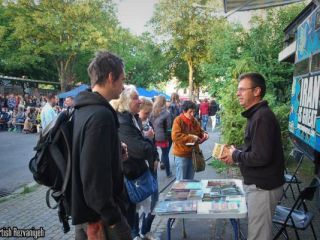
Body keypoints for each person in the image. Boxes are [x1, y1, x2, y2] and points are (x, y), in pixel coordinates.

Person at [71, 51, 131, 240]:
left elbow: (84, 157)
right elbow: (93, 176)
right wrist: (111, 216)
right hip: (100, 220)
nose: (123, 86)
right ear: (111, 77)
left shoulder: (83, 109)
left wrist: (114, 149)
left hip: (86, 213)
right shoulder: (101, 116)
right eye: (122, 80)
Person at [220, 72, 285, 240]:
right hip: (260, 186)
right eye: (238, 90)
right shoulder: (257, 115)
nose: (237, 93)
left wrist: (236, 155)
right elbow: (255, 147)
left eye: (242, 89)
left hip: (263, 188)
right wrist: (237, 152)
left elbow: (261, 156)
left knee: (258, 236)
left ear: (256, 91)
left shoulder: (262, 117)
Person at [111, 86, 159, 240]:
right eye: (135, 98)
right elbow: (140, 149)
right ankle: (137, 234)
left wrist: (153, 151)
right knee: (132, 211)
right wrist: (149, 140)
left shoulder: (132, 118)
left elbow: (145, 145)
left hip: (139, 173)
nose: (140, 100)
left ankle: (142, 233)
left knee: (148, 204)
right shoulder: (123, 121)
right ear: (125, 101)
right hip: (131, 176)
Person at [172, 101, 209, 180]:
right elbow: (175, 136)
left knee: (190, 181)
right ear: (184, 111)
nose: (192, 114)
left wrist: (204, 134)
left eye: (194, 112)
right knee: (181, 181)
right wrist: (192, 137)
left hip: (193, 154)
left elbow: (199, 131)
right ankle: (180, 193)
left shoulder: (194, 121)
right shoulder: (178, 120)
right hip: (181, 155)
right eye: (190, 112)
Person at [150, 95, 172, 178]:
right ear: (164, 102)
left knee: (153, 154)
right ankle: (168, 173)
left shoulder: (152, 112)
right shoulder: (166, 113)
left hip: (153, 135)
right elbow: (169, 126)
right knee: (165, 153)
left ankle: (153, 174)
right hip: (163, 136)